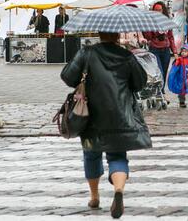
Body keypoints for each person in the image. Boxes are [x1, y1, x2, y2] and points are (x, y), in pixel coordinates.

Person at [60, 31, 152, 218]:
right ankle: (118, 190)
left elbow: (67, 77)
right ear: (117, 36)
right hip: (121, 116)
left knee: (91, 154)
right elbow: (140, 82)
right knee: (118, 156)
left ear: (100, 34)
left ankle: (94, 197)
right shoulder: (126, 56)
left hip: (91, 116)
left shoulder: (86, 53)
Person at [143, 1, 177, 94]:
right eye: (155, 10)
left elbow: (170, 37)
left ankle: (160, 92)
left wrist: (175, 51)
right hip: (155, 49)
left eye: (159, 10)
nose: (157, 12)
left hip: (165, 50)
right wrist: (154, 30)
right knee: (159, 72)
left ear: (163, 11)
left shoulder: (166, 21)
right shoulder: (149, 21)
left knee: (164, 72)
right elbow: (147, 36)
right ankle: (159, 94)